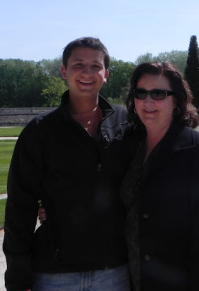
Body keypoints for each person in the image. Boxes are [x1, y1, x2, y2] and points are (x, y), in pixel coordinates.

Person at [3, 37, 138, 291]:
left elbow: (154, 158)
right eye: (78, 65)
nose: (87, 73)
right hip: (56, 273)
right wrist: (18, 278)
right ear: (64, 71)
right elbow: (20, 208)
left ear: (106, 74)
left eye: (95, 66)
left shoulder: (126, 121)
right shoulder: (40, 132)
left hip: (114, 270)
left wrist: (188, 143)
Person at [120, 62, 199, 291]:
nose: (148, 102)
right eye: (141, 93)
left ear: (176, 100)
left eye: (158, 94)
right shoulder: (128, 145)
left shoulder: (194, 149)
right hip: (130, 277)